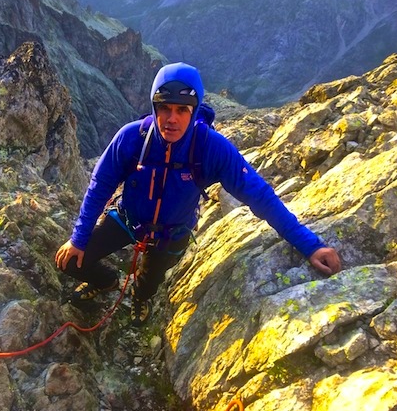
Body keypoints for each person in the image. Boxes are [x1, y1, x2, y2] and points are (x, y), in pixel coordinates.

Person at [55, 62, 341, 326]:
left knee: (148, 282)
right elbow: (99, 187)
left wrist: (310, 245)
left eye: (182, 110)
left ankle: (140, 298)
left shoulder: (211, 148)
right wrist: (79, 239)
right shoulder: (132, 138)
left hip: (171, 234)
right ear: (154, 107)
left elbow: (260, 196)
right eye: (164, 108)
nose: (171, 119)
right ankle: (107, 281)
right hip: (127, 220)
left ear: (194, 110)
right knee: (69, 261)